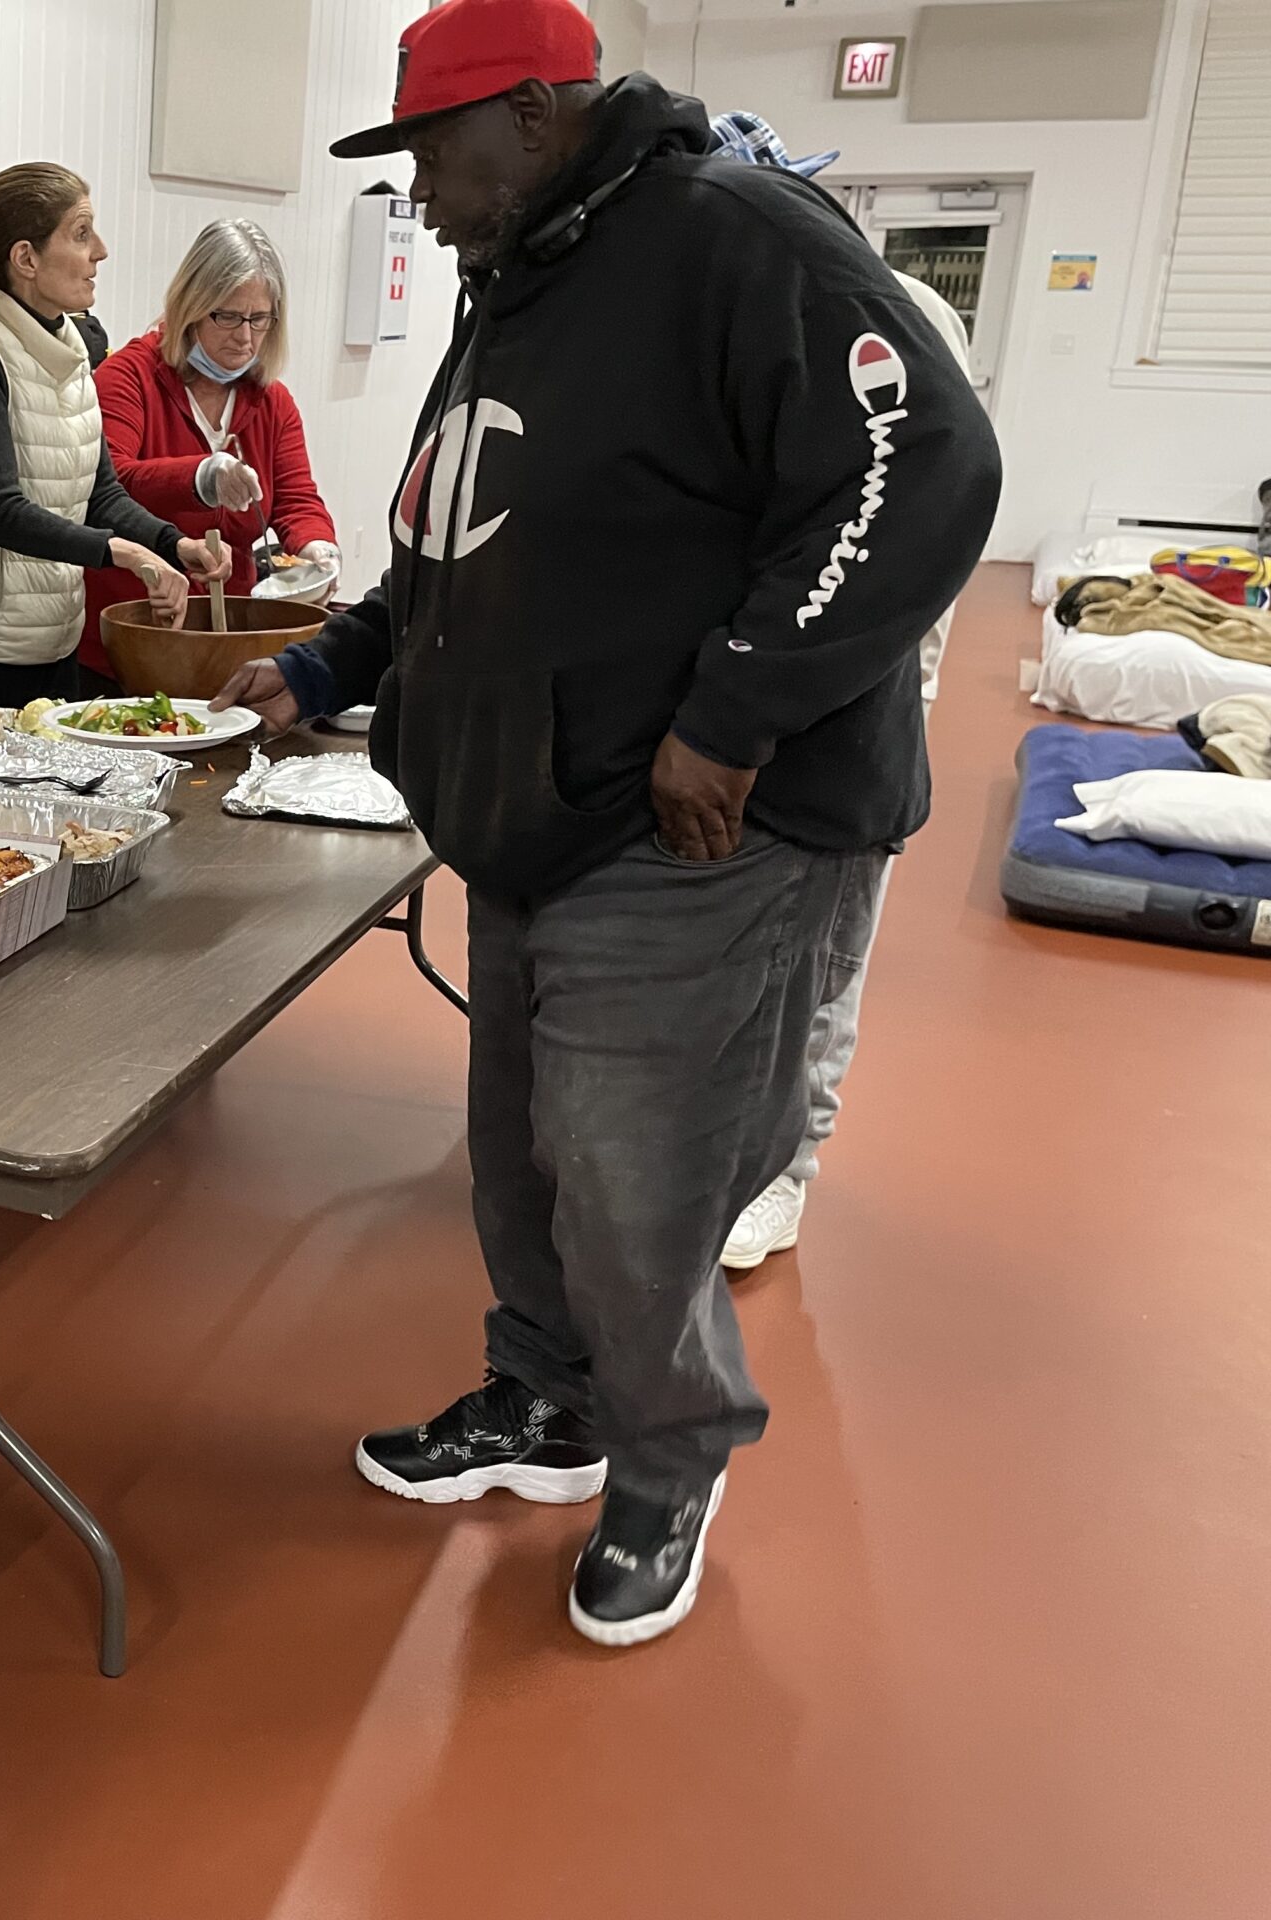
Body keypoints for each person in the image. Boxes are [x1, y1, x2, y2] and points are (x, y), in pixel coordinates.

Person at [214, 0, 999, 1646]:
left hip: (696, 818)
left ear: (538, 113)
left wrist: (736, 711)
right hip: (535, 810)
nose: (415, 189)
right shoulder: (527, 273)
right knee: (522, 1158)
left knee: (633, 1178)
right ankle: (554, 1405)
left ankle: (669, 1460)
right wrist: (340, 657)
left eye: (431, 147)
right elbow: (460, 524)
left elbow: (914, 463)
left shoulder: (732, 235)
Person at [705, 110, 978, 1273]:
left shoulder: (896, 328)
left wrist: (872, 693)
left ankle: (784, 1175)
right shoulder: (707, 316)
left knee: (816, 973)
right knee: (715, 976)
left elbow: (919, 533)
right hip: (723, 705)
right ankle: (703, 1161)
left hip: (843, 715)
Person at [0, 162, 229, 750]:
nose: (101, 252)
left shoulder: (74, 346)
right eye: (82, 234)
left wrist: (172, 545)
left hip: (54, 644)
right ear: (26, 259)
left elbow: (101, 494)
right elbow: (0, 510)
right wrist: (124, 553)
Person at [78, 219, 339, 685]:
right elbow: (108, 486)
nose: (245, 337)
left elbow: (297, 499)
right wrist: (199, 477)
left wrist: (317, 545)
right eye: (228, 316)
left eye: (260, 319)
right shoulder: (128, 378)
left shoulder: (271, 402)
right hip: (131, 644)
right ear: (191, 307)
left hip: (227, 645)